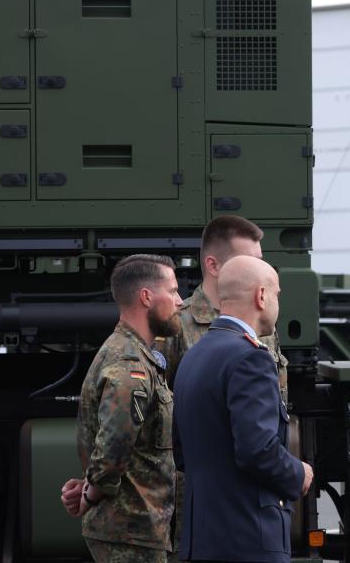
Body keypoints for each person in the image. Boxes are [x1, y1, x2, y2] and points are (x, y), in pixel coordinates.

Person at [172, 255, 312, 563]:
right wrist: (297, 471)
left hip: (202, 542)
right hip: (248, 540)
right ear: (261, 295)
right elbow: (257, 450)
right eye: (276, 293)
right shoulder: (251, 358)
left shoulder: (194, 357)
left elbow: (181, 452)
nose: (277, 301)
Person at [62, 254, 183, 562]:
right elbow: (114, 446)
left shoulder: (133, 354)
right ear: (146, 297)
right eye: (172, 290)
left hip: (137, 528)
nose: (180, 301)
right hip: (131, 531)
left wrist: (90, 486)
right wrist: (90, 496)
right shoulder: (129, 365)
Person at [160, 214, 289, 406]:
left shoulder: (260, 321)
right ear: (213, 265)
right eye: (247, 261)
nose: (260, 269)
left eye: (260, 261)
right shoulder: (177, 324)